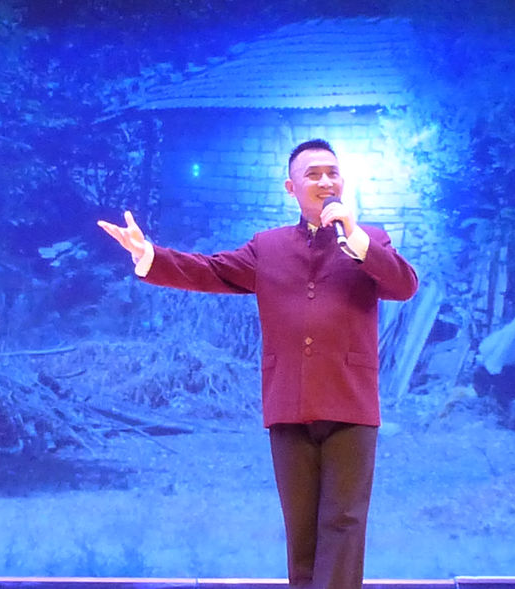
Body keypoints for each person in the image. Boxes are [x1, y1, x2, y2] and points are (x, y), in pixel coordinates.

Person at [98, 139, 418, 589]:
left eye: (332, 172)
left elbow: (404, 286)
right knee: (301, 533)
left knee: (343, 524)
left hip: (351, 403)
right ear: (291, 187)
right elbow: (210, 270)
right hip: (288, 404)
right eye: (313, 174)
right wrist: (148, 254)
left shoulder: (370, 239)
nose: (325, 181)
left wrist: (358, 240)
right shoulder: (268, 247)